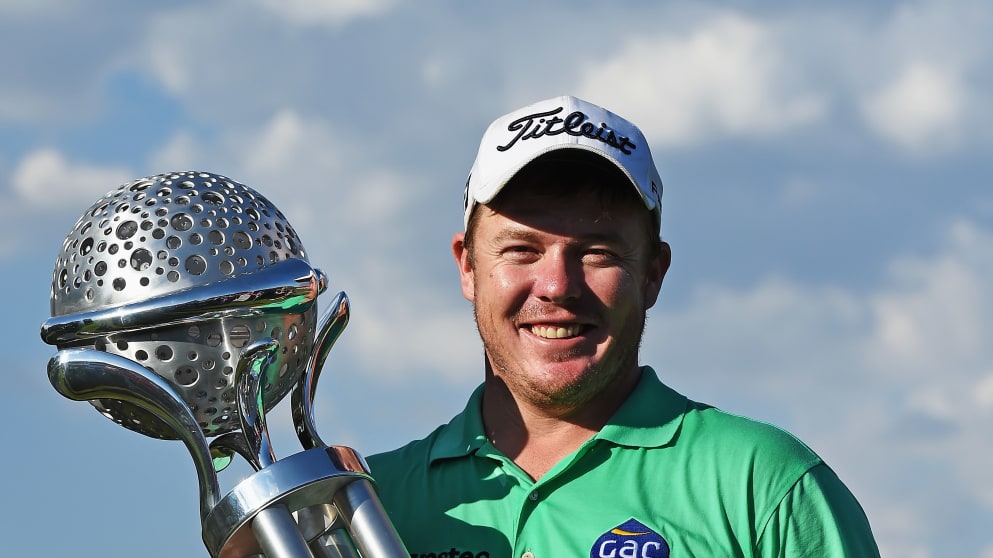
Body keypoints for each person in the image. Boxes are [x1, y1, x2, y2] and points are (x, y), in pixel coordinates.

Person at [367, 96, 880, 557]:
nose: (557, 286)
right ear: (468, 266)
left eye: (598, 252)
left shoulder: (763, 485)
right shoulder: (369, 505)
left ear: (654, 273)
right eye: (521, 249)